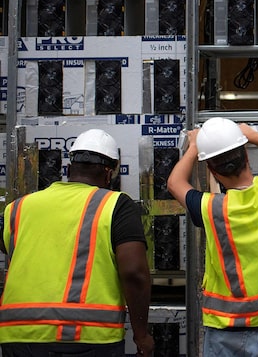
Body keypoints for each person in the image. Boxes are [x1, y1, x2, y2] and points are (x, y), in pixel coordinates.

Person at [0, 129, 154, 357]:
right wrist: (141, 334)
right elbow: (134, 272)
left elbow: (14, 249)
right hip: (85, 336)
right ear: (109, 174)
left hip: (17, 334)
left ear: (69, 169)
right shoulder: (115, 205)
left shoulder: (18, 208)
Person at [167, 117, 258, 357]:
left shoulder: (211, 209)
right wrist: (251, 135)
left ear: (211, 169)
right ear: (246, 156)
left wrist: (194, 146)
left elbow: (175, 182)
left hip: (228, 331)